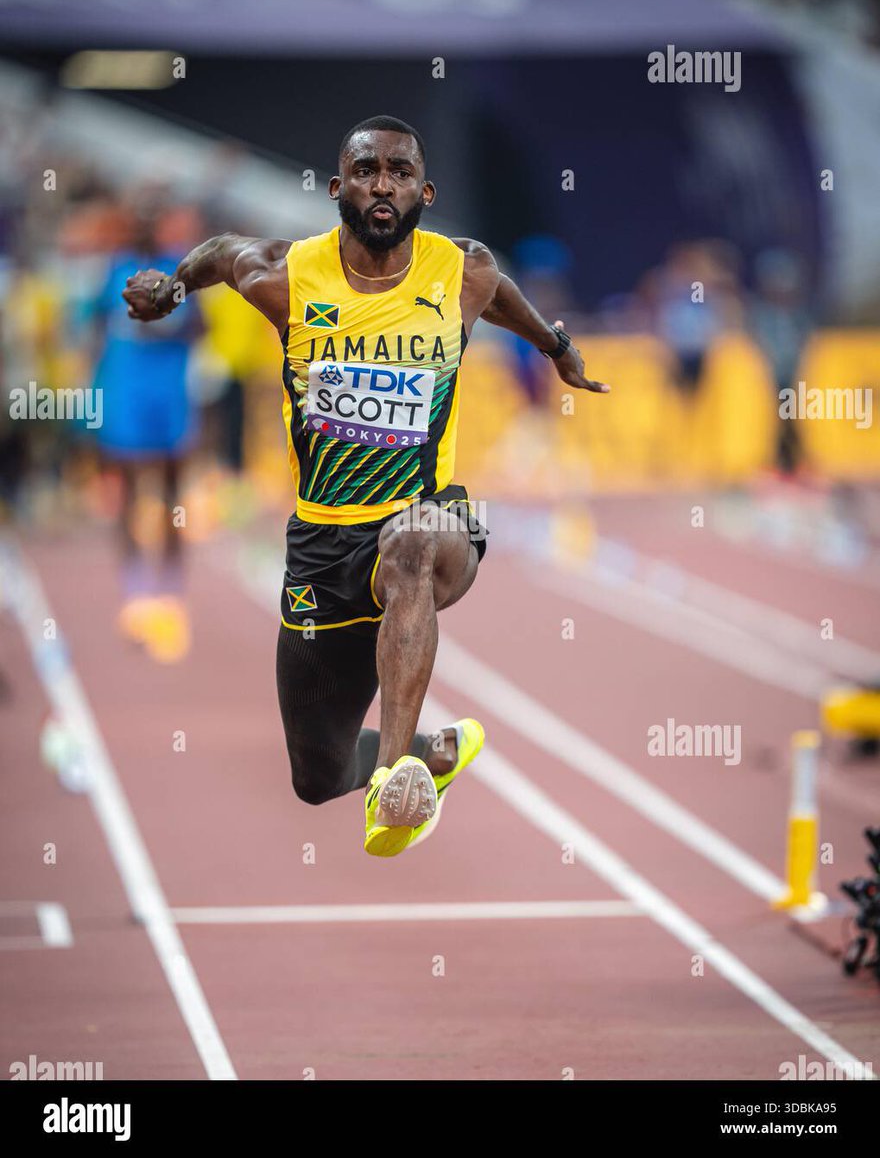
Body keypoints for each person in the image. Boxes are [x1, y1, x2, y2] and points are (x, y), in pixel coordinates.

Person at [121, 115, 609, 857]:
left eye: (399, 172)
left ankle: (391, 781)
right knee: (314, 775)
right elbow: (220, 253)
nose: (383, 183)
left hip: (432, 515)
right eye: (367, 170)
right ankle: (433, 754)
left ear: (425, 191)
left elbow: (503, 291)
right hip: (322, 540)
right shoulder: (287, 274)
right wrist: (174, 286)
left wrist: (558, 348)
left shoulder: (461, 270)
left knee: (411, 541)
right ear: (336, 188)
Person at [91, 203, 201, 662]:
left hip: (169, 393)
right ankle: (136, 594)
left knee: (175, 492)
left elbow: (201, 326)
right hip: (127, 390)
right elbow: (96, 324)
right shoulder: (117, 269)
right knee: (130, 490)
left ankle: (171, 595)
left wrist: (165, 320)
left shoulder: (183, 269)